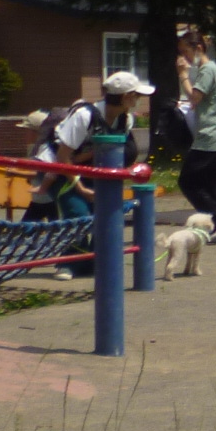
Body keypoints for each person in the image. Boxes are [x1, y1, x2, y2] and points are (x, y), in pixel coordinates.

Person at [52, 71, 150, 277]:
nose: (139, 100)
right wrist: (80, 187)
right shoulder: (84, 116)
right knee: (78, 216)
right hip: (68, 176)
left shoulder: (126, 120)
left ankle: (95, 262)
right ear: (126, 97)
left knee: (104, 219)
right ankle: (68, 263)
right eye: (137, 95)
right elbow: (63, 156)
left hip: (102, 179)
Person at [177, 27, 216, 244]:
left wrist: (182, 76)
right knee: (210, 184)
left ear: (198, 48)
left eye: (186, 52)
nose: (184, 58)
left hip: (210, 136)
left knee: (188, 181)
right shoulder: (208, 70)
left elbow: (195, 97)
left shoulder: (207, 69)